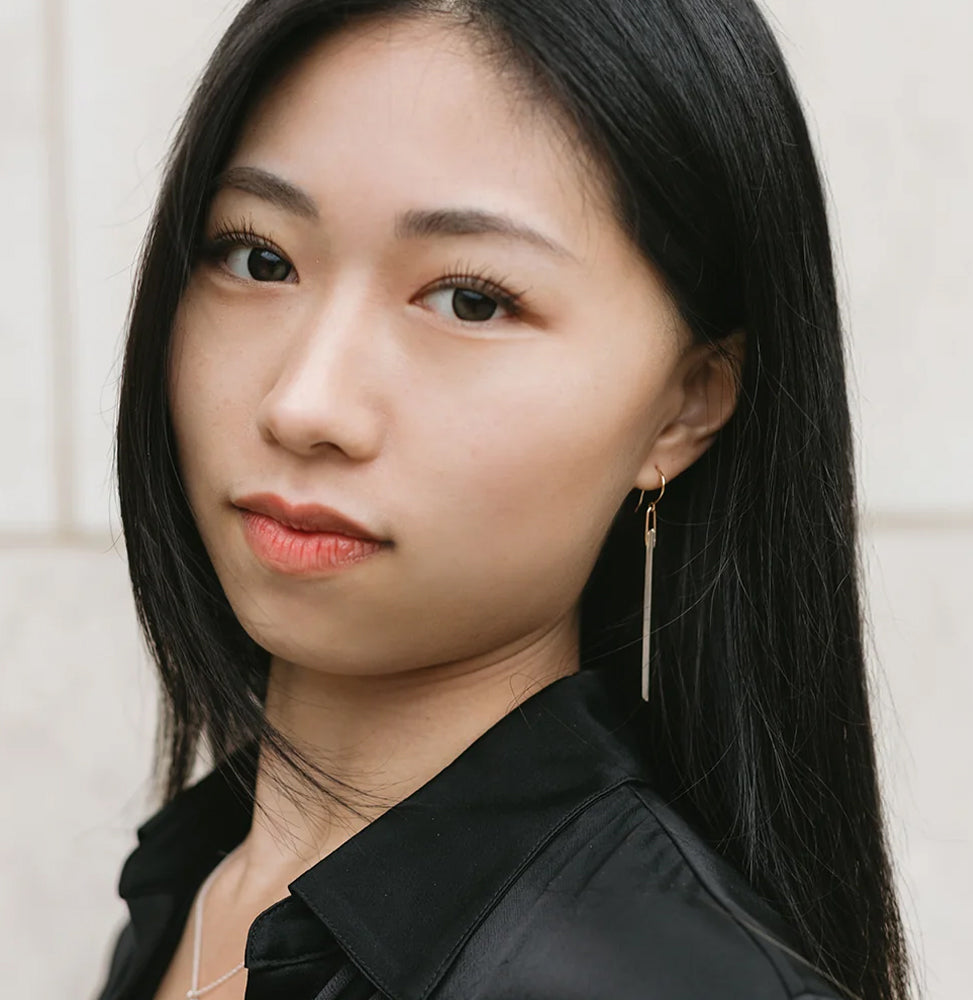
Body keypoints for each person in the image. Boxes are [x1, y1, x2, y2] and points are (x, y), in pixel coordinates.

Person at [93, 2, 913, 999]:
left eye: (471, 300)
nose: (306, 402)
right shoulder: (201, 884)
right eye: (259, 258)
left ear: (684, 406)